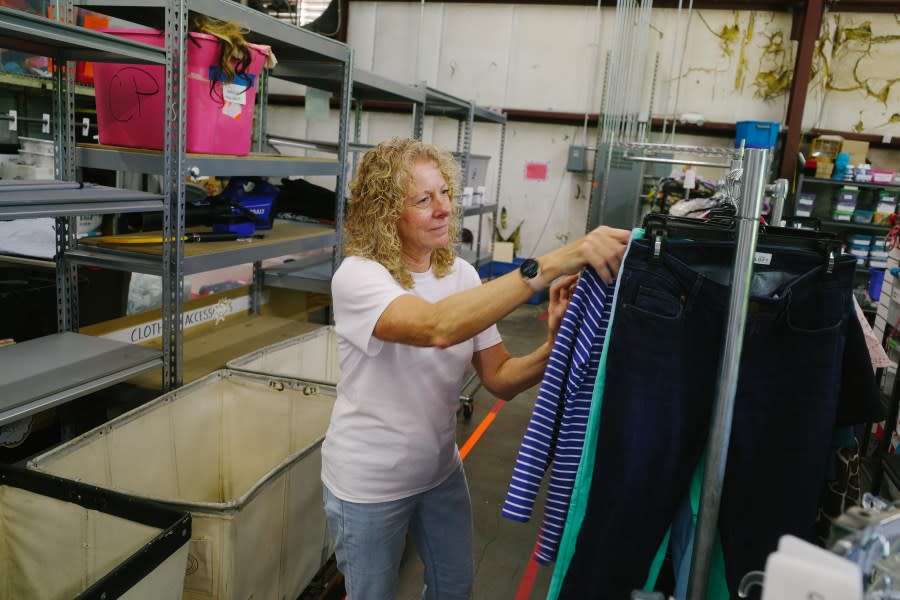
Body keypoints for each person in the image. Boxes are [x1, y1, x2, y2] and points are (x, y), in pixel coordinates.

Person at [321, 137, 630, 600]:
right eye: (423, 200)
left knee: (453, 587)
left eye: (444, 192)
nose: (444, 208)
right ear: (386, 214)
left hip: (440, 472)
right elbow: (436, 327)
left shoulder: (460, 276)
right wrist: (552, 262)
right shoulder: (359, 277)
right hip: (370, 482)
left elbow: (500, 378)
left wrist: (555, 343)